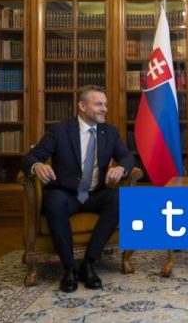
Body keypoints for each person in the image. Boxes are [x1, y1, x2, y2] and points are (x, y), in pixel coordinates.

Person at [21, 85, 135, 293]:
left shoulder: (109, 132)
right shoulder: (60, 130)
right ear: (82, 106)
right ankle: (68, 268)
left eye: (105, 104)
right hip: (65, 193)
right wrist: (37, 166)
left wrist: (121, 167)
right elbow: (31, 157)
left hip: (94, 193)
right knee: (54, 201)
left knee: (121, 199)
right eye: (98, 104)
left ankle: (89, 263)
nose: (104, 109)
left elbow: (127, 156)